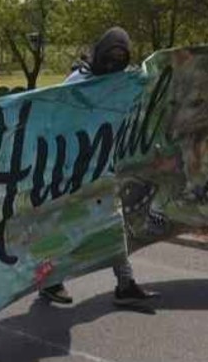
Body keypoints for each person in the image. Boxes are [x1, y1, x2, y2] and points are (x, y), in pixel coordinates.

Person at [38, 27, 155, 307]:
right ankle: (50, 281)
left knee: (112, 224)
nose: (114, 64)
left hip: (102, 167)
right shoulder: (78, 81)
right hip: (70, 170)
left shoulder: (119, 81)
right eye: (110, 58)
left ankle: (125, 283)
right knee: (62, 228)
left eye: (120, 58)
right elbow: (57, 119)